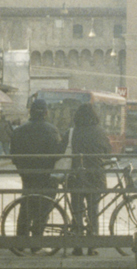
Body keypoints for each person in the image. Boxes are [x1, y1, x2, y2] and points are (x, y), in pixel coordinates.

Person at [9, 99, 63, 239]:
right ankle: (36, 240)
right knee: (43, 208)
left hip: (26, 175)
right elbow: (56, 154)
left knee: (26, 205)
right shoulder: (52, 130)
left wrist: (22, 168)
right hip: (46, 175)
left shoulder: (19, 131)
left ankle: (21, 240)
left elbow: (14, 155)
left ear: (31, 112)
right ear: (45, 113)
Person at [67, 103, 112, 256]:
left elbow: (62, 149)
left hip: (76, 176)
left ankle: (77, 246)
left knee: (77, 211)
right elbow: (107, 152)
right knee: (94, 212)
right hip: (95, 177)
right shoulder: (100, 131)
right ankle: (92, 246)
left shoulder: (73, 132)